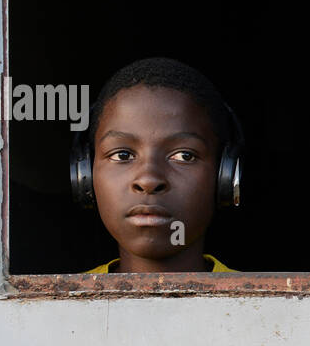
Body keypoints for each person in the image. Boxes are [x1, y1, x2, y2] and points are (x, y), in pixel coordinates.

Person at [77, 58, 239, 273]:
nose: (148, 180)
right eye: (122, 155)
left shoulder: (265, 305)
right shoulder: (51, 305)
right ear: (85, 175)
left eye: (184, 156)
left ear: (224, 177)